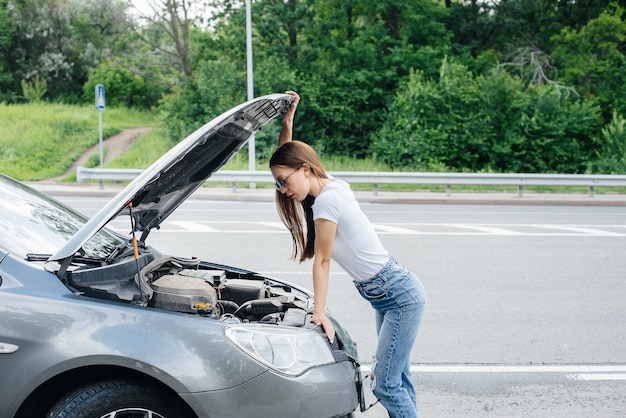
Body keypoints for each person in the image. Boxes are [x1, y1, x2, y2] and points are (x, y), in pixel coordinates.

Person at [269, 91, 427, 418]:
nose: (284, 190)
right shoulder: (328, 187)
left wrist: (320, 312)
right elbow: (287, 157)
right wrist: (288, 122)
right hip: (387, 294)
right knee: (398, 377)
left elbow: (323, 260)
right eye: (278, 185)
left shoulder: (327, 202)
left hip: (398, 294)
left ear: (306, 169)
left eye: (284, 182)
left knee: (385, 384)